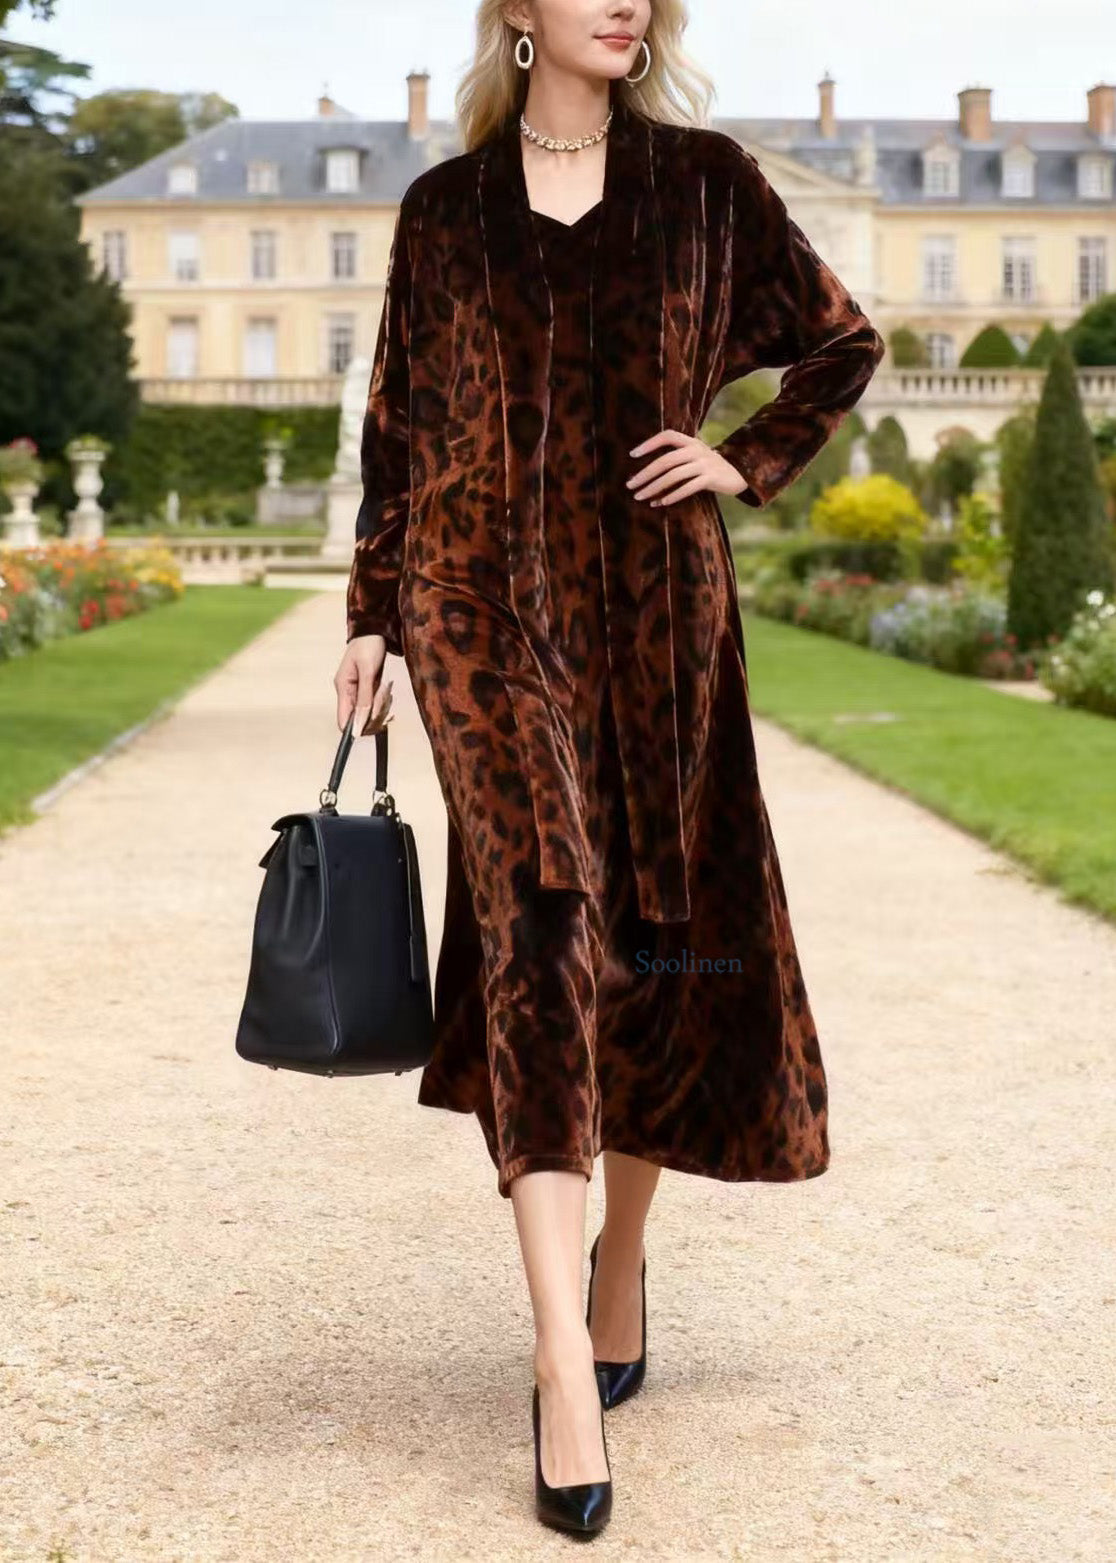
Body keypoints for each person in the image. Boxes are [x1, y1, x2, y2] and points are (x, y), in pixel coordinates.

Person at [334, 0, 885, 1538]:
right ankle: (561, 1363)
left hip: (659, 614)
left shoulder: (707, 185)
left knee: (651, 941)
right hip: (476, 609)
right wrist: (372, 615)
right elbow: (399, 427)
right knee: (539, 925)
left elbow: (843, 340)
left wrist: (743, 458)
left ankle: (619, 1266)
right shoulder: (445, 210)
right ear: (519, 10)